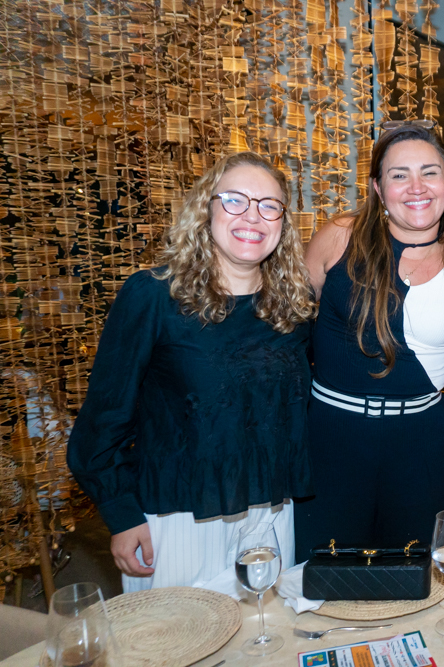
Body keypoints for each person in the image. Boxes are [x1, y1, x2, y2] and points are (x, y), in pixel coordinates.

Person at [68, 152, 316, 591]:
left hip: (271, 516)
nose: (253, 216)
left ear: (283, 222)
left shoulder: (292, 308)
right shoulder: (153, 296)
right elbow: (103, 418)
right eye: (235, 200)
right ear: (206, 208)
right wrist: (121, 513)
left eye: (268, 205)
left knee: (265, 647)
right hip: (179, 518)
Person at [293, 123, 444, 562]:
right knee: (322, 584)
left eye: (430, 172)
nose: (416, 187)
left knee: (413, 583)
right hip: (330, 442)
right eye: (399, 175)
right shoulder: (338, 239)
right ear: (378, 188)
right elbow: (286, 334)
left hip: (420, 451)